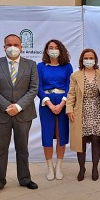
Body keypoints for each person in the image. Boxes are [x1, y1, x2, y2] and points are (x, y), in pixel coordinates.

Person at [0, 34, 39, 196]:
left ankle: (24, 178)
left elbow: (34, 88)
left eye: (16, 44)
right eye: (9, 44)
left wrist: (18, 106)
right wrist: (6, 106)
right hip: (0, 114)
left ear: (21, 47)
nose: (12, 47)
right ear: (4, 47)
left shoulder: (31, 65)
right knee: (0, 150)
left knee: (23, 149)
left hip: (23, 114)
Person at [66, 48, 100, 181]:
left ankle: (95, 168)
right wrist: (69, 109)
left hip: (98, 111)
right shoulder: (75, 75)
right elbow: (71, 94)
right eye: (86, 58)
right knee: (81, 141)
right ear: (82, 60)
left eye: (91, 58)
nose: (88, 60)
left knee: (96, 140)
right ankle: (82, 168)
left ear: (95, 60)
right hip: (81, 111)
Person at [37, 40, 73, 181]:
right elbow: (38, 87)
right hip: (46, 103)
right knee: (47, 134)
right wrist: (50, 104)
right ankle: (49, 167)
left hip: (63, 102)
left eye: (56, 48)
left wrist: (63, 103)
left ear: (61, 50)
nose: (53, 50)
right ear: (46, 50)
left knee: (61, 134)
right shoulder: (40, 66)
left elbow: (70, 86)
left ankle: (59, 166)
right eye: (50, 47)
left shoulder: (67, 66)